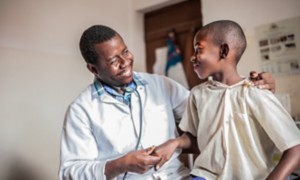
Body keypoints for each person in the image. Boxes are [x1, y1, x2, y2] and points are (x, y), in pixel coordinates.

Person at [59, 24, 276, 180]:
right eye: (114, 61)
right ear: (93, 68)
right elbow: (70, 172)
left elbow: (211, 119)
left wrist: (257, 89)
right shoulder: (81, 110)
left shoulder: (162, 85)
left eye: (125, 51)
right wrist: (120, 165)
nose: (126, 62)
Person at [153, 20, 300, 180]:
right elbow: (197, 139)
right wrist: (176, 143)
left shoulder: (256, 93)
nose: (192, 58)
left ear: (223, 51)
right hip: (206, 176)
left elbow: (295, 147)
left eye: (198, 50)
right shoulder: (197, 94)